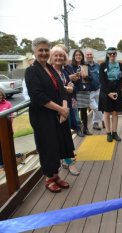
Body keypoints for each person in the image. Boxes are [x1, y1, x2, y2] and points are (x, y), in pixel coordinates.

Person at [25, 37, 74, 193]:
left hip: (58, 114)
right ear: (34, 51)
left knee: (58, 145)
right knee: (48, 147)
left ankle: (56, 175)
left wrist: (65, 108)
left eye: (46, 50)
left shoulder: (51, 68)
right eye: (41, 50)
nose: (44, 53)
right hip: (43, 117)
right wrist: (60, 109)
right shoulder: (32, 71)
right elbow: (38, 96)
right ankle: (49, 178)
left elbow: (61, 88)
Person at [48, 46, 80, 176]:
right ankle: (64, 163)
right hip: (54, 109)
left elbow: (70, 87)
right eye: (56, 55)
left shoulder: (64, 72)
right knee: (57, 137)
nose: (58, 58)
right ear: (51, 57)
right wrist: (64, 89)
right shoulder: (48, 72)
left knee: (66, 134)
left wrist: (71, 87)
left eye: (61, 56)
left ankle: (68, 161)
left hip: (66, 107)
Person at [98, 47, 122, 142]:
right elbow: (102, 80)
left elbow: (121, 80)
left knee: (115, 112)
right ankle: (108, 133)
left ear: (116, 54)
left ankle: (114, 132)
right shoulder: (102, 65)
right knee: (106, 112)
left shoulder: (120, 65)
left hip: (116, 90)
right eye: (110, 53)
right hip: (106, 91)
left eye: (114, 53)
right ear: (107, 54)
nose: (112, 55)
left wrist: (117, 92)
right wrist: (108, 93)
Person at [71, 49, 92, 136]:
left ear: (82, 56)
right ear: (74, 57)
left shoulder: (85, 66)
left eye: (80, 55)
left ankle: (85, 129)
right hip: (76, 91)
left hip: (85, 91)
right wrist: (76, 77)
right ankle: (78, 129)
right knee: (76, 111)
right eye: (76, 55)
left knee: (84, 111)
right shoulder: (71, 67)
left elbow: (91, 79)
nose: (78, 56)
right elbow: (69, 79)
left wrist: (86, 76)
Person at [85, 48, 103, 131]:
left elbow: (101, 77)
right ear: (85, 56)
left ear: (93, 55)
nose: (89, 56)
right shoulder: (84, 66)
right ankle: (104, 119)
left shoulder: (97, 65)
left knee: (98, 106)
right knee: (95, 107)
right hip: (89, 91)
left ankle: (95, 123)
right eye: (88, 54)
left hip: (98, 89)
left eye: (90, 54)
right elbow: (84, 79)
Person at [0, 88, 13, 170]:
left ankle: (9, 164)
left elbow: (11, 117)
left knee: (8, 148)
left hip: (6, 130)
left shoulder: (8, 104)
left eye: (0, 95)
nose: (0, 97)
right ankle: (2, 164)